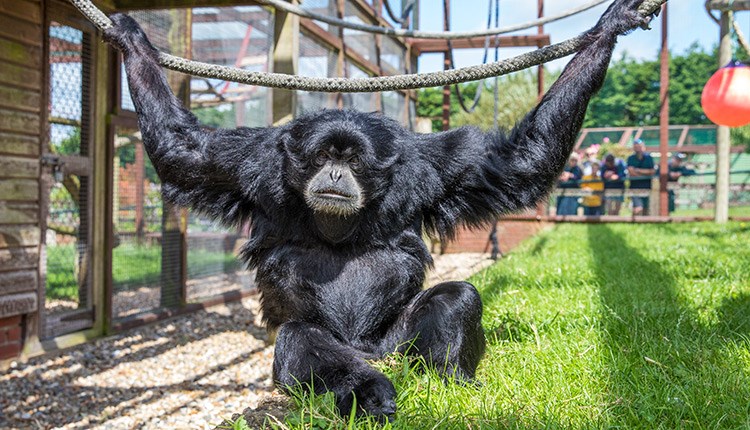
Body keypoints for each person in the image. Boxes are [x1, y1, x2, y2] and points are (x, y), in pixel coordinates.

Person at [626, 138, 655, 215]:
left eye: (639, 146)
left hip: (647, 187)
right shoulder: (631, 158)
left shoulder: (649, 158)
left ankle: (643, 224)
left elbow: (652, 171)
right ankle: (633, 222)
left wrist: (638, 170)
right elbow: (630, 171)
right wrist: (645, 173)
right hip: (635, 187)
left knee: (646, 209)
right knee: (638, 208)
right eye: (635, 146)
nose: (637, 148)